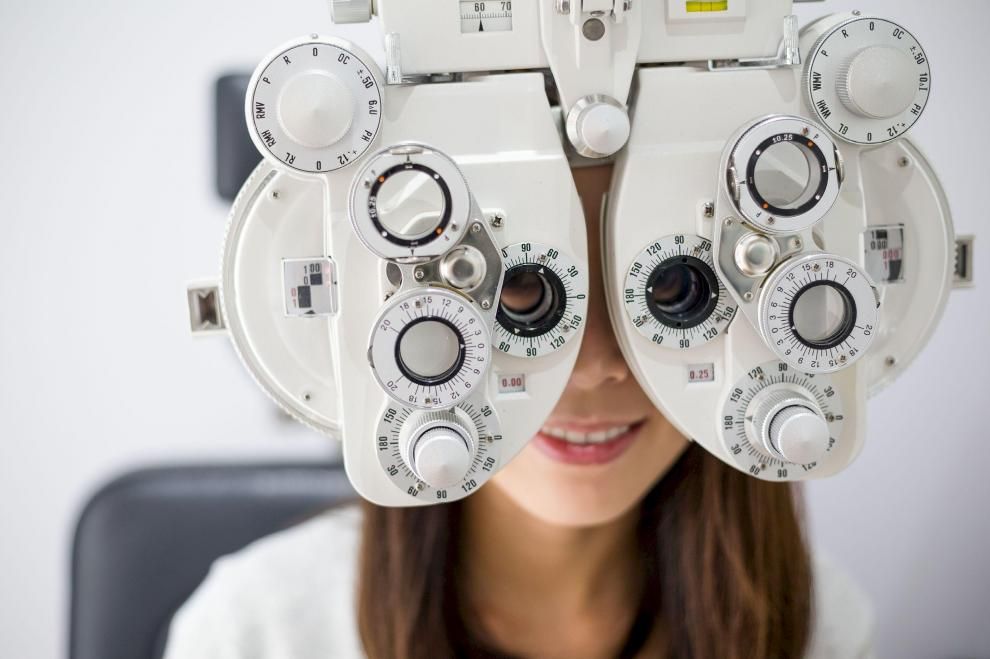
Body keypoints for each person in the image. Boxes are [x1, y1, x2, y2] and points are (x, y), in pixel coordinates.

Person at [163, 164, 874, 659]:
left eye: (669, 290)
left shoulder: (816, 622)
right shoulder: (258, 632)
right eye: (520, 291)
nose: (595, 366)